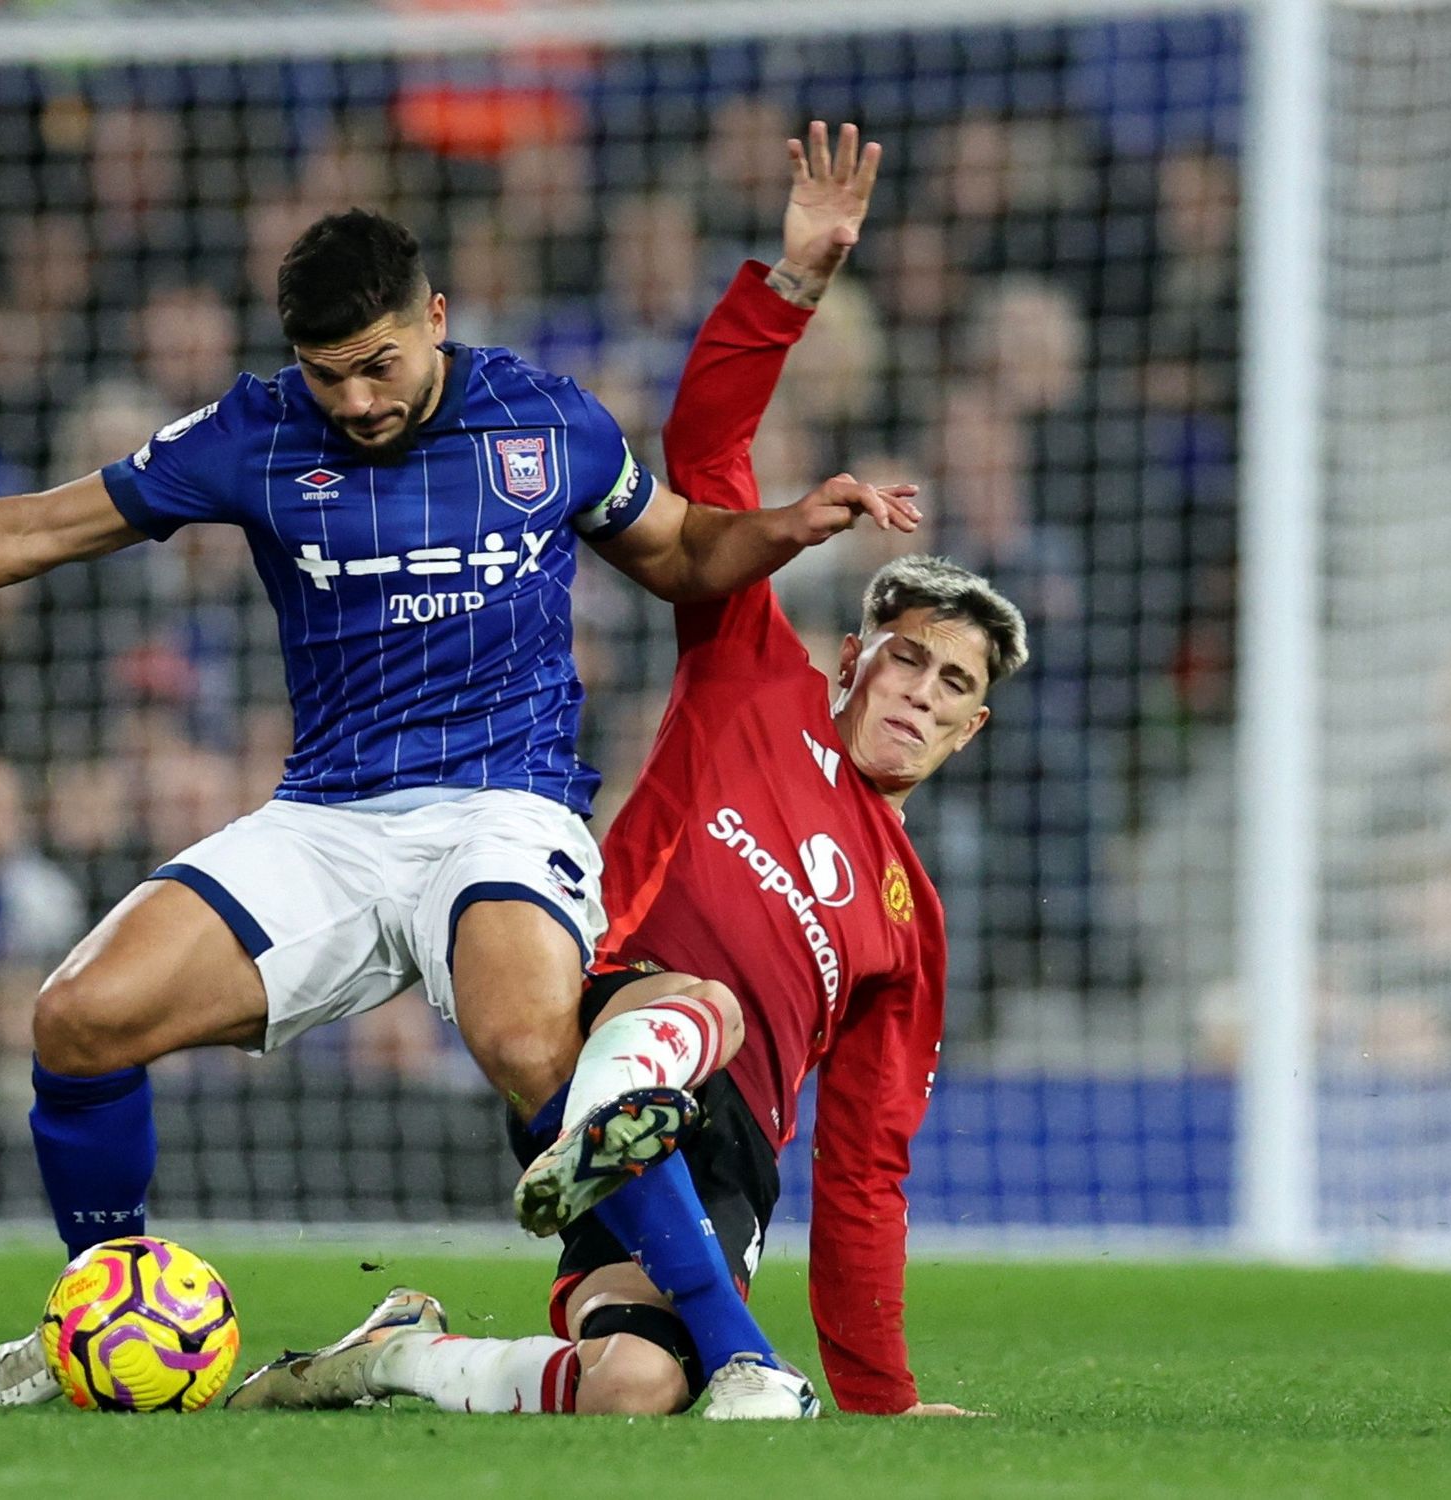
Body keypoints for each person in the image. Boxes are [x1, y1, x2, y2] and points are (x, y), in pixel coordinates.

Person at [0, 156, 921, 1408]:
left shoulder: (546, 422)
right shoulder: (253, 433)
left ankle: (745, 1359)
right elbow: (43, 523)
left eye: (380, 365)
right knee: (77, 1020)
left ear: (434, 320)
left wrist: (781, 528)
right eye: (331, 375)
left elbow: (687, 557)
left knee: (533, 1041)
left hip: (502, 808)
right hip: (327, 818)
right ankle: (104, 1315)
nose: (359, 401)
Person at [231, 125, 1022, 1422]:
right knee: (691, 999)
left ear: (970, 731)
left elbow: (869, 1170)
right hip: (598, 1012)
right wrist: (796, 281)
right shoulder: (750, 673)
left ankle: (399, 1357)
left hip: (721, 1158)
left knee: (634, 1388)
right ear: (849, 657)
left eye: (956, 690)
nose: (923, 695)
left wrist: (882, 1403)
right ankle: (609, 1105)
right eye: (911, 659)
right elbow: (710, 440)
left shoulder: (909, 928)